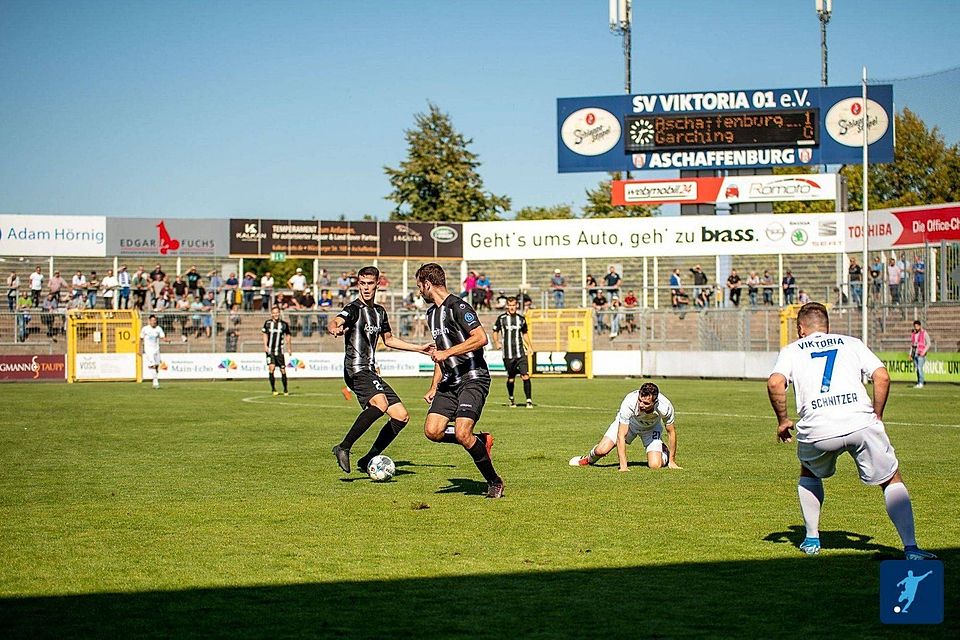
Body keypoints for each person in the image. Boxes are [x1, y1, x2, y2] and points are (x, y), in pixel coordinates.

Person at [766, 302, 936, 560]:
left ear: (800, 329)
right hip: (860, 422)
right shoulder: (851, 342)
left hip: (819, 428)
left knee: (809, 471)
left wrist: (783, 420)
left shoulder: (791, 350)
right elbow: (882, 376)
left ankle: (811, 539)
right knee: (891, 479)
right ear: (827, 326)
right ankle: (911, 548)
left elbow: (775, 383)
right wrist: (877, 415)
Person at [328, 266, 431, 475]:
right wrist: (335, 328)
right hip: (356, 369)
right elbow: (337, 320)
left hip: (370, 371)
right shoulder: (353, 308)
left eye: (370, 284)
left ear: (377, 284)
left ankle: (367, 459)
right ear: (358, 285)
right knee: (381, 404)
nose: (366, 288)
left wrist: (419, 348)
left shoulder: (380, 312)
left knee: (401, 416)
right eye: (362, 284)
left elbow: (389, 340)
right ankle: (343, 447)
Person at [417, 262, 504, 499]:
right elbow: (440, 354)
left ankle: (494, 481)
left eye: (419, 287)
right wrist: (434, 386)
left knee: (462, 433)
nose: (419, 292)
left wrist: (447, 353)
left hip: (473, 378)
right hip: (449, 382)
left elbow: (481, 338)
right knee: (432, 431)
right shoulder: (431, 314)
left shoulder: (458, 306)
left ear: (427, 284)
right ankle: (480, 441)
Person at [569, 382, 680, 470]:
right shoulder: (630, 402)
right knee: (601, 451)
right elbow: (621, 435)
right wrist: (623, 466)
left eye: (646, 403)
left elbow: (671, 432)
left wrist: (672, 461)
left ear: (655, 402)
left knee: (655, 465)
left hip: (651, 428)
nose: (641, 405)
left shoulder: (665, 407)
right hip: (630, 424)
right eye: (640, 400)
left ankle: (664, 451)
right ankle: (588, 459)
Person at [492, 296, 533, 408]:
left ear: (517, 306)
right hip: (508, 354)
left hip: (520, 353)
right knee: (511, 378)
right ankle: (511, 398)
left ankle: (528, 400)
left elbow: (525, 333)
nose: (512, 307)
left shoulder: (521, 319)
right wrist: (497, 342)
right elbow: (495, 331)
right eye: (510, 305)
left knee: (525, 375)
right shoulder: (501, 319)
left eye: (514, 305)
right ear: (507, 306)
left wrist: (529, 346)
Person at [262, 305, 292, 396]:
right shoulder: (267, 323)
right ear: (271, 314)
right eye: (274, 313)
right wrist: (265, 345)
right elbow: (265, 334)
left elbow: (288, 335)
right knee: (272, 368)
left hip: (279, 350)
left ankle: (285, 389)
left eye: (277, 313)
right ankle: (273, 389)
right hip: (270, 350)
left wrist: (289, 348)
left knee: (283, 369)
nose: (276, 314)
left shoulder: (284, 324)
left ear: (279, 313)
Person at [140, 314, 168, 389]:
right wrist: (140, 349)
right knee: (153, 365)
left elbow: (162, 337)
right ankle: (156, 383)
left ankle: (154, 380)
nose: (153, 322)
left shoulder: (158, 328)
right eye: (152, 320)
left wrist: (166, 340)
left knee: (157, 366)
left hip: (156, 350)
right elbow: (141, 338)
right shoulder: (145, 329)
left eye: (155, 320)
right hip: (148, 350)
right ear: (149, 321)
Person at [910, 320, 930, 389]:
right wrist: (910, 354)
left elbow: (928, 343)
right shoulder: (913, 334)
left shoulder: (924, 333)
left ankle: (921, 382)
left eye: (917, 326)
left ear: (920, 326)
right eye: (915, 326)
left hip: (921, 354)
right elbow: (912, 345)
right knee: (917, 369)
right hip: (915, 354)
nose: (916, 327)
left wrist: (923, 352)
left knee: (919, 368)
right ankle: (919, 382)